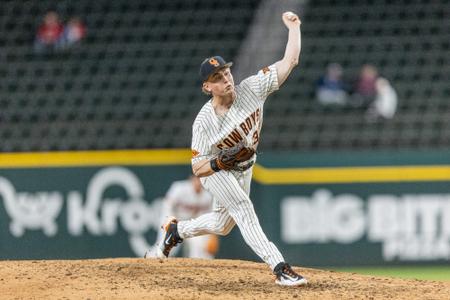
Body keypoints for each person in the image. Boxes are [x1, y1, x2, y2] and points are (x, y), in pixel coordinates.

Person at [152, 11, 307, 287]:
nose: (226, 78)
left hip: (245, 166)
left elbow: (290, 61)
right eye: (217, 76)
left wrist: (294, 28)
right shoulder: (203, 122)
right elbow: (197, 167)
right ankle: (280, 267)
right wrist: (220, 164)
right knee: (244, 209)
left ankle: (176, 230)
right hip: (216, 170)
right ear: (207, 86)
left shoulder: (252, 88)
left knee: (224, 224)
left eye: (226, 71)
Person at [144, 176, 218, 259]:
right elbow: (167, 206)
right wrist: (170, 221)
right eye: (197, 179)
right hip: (174, 220)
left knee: (199, 244)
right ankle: (151, 259)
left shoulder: (207, 196)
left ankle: (199, 265)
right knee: (165, 246)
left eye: (202, 180)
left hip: (190, 223)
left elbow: (208, 217)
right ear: (192, 179)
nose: (199, 182)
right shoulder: (179, 188)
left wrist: (212, 235)